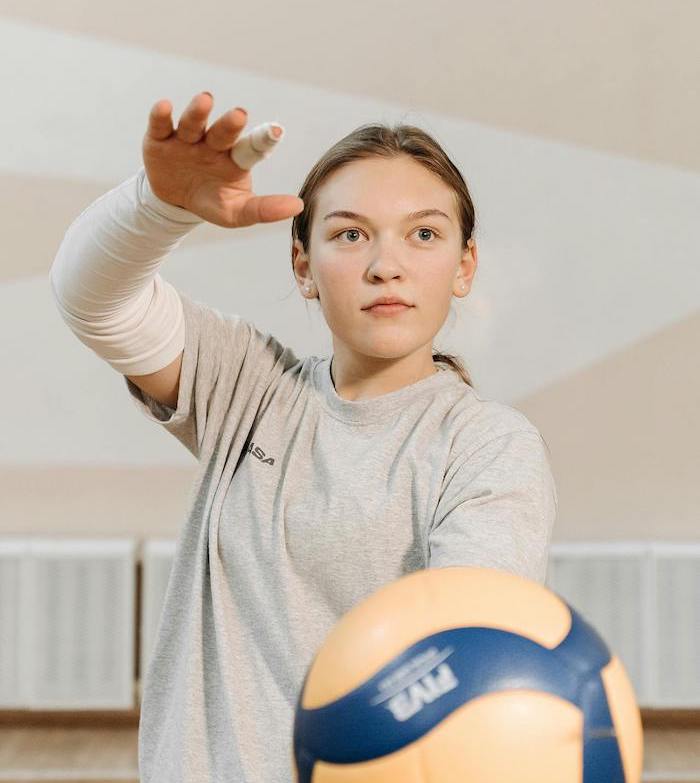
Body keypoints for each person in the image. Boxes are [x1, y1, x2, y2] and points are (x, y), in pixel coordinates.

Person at [49, 91, 558, 783]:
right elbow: (92, 297)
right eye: (350, 234)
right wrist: (156, 206)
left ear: (464, 266)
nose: (386, 265)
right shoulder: (248, 388)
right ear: (302, 266)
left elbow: (459, 659)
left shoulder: (489, 445)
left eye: (424, 234)